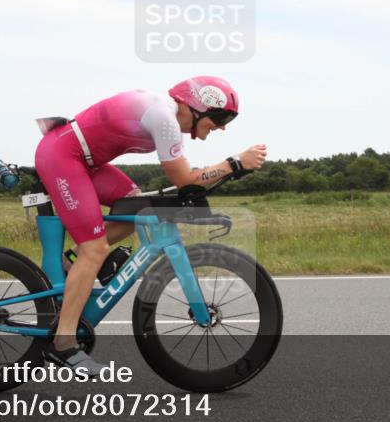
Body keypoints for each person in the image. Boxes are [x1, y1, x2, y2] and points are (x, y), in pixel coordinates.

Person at [34, 76, 267, 375]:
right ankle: (62, 344)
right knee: (96, 249)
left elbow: (187, 183)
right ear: (197, 106)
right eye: (216, 122)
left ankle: (73, 264)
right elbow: (184, 180)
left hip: (83, 159)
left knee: (137, 206)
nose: (213, 131)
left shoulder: (164, 114)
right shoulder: (164, 118)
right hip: (64, 156)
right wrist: (234, 163)